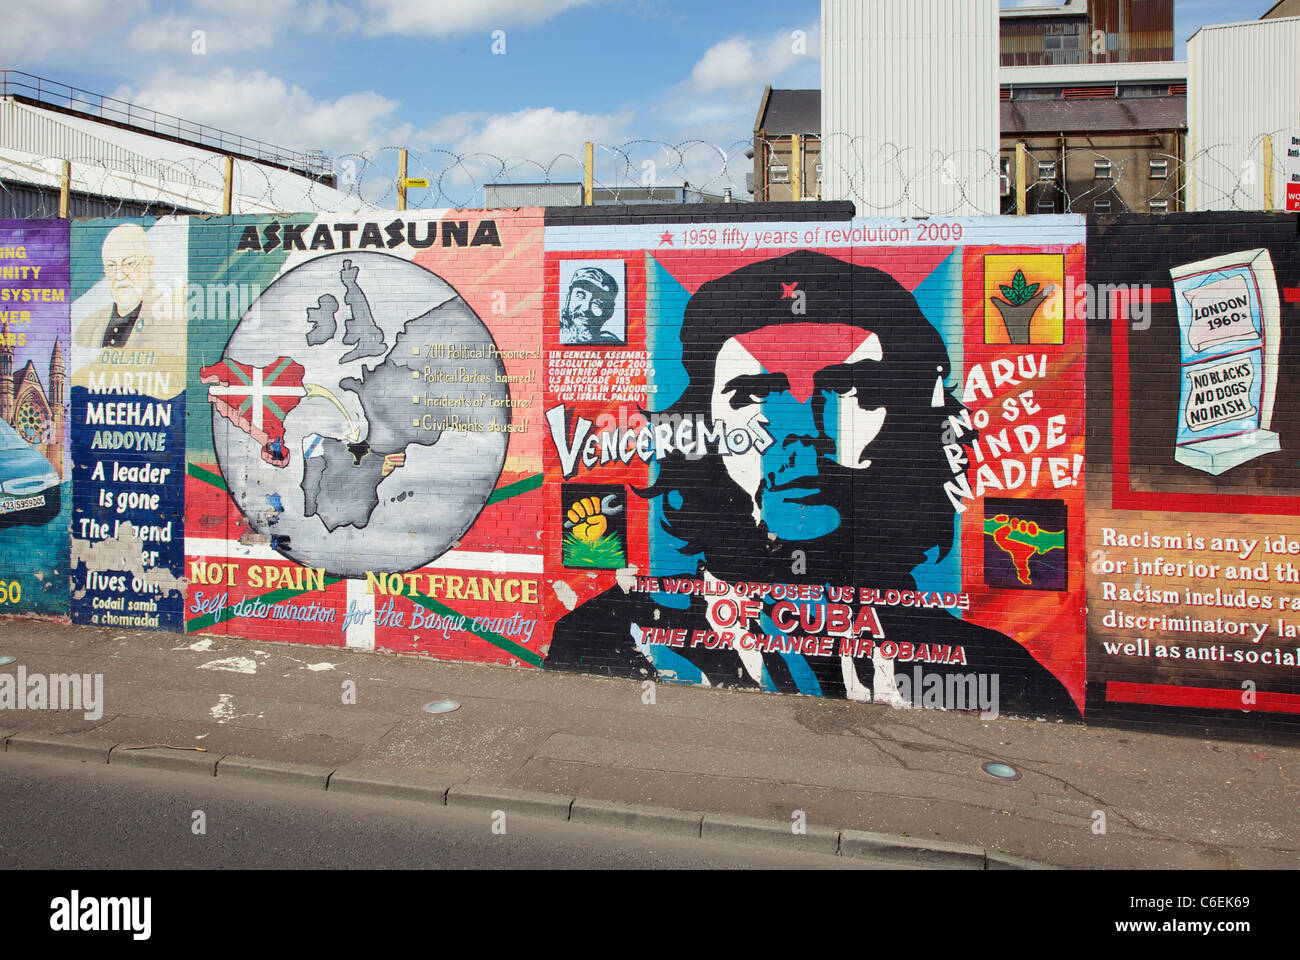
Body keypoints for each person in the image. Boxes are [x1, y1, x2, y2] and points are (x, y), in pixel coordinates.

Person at [546, 250, 1076, 717]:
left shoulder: (995, 671)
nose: (801, 437)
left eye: (848, 388)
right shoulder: (615, 639)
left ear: (912, 419)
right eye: (754, 394)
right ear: (698, 422)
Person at [559, 266, 623, 344]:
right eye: (580, 296)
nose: (586, 308)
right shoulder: (552, 336)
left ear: (609, 311)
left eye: (597, 301)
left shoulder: (614, 344)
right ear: (568, 298)